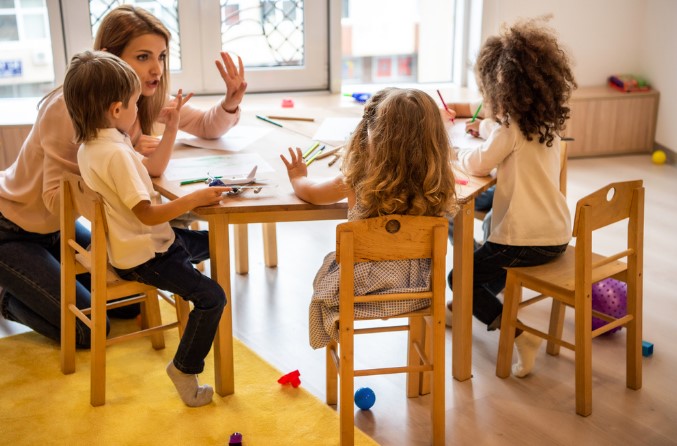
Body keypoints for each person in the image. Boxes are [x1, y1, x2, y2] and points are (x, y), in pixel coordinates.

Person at [0, 4, 246, 347]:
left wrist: (230, 103)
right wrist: (113, 177)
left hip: (56, 229)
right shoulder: (68, 108)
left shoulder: (134, 97)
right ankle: (8, 297)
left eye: (161, 56)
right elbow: (54, 199)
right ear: (106, 59)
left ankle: (44, 282)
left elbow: (206, 125)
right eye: (143, 56)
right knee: (88, 330)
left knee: (128, 306)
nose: (155, 69)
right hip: (14, 226)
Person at [64, 50, 229, 407]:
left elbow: (151, 169)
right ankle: (184, 368)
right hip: (147, 255)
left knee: (216, 245)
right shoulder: (116, 154)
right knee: (212, 297)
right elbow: (148, 215)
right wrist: (194, 199)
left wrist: (170, 128)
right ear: (115, 109)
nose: (140, 109)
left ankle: (196, 355)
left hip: (145, 245)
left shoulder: (95, 145)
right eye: (136, 103)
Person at [446, 17, 576, 377]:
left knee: (460, 277)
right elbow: (507, 137)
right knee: (490, 228)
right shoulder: (547, 124)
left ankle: (517, 334)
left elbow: (476, 164)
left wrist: (451, 149)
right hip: (557, 236)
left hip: (524, 241)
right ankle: (465, 306)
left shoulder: (508, 129)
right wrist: (485, 127)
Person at [280, 87, 458, 349]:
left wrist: (298, 177)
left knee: (324, 277)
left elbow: (313, 194)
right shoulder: (439, 183)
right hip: (420, 292)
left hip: (360, 294)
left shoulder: (357, 180)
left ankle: (335, 348)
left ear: (372, 136)